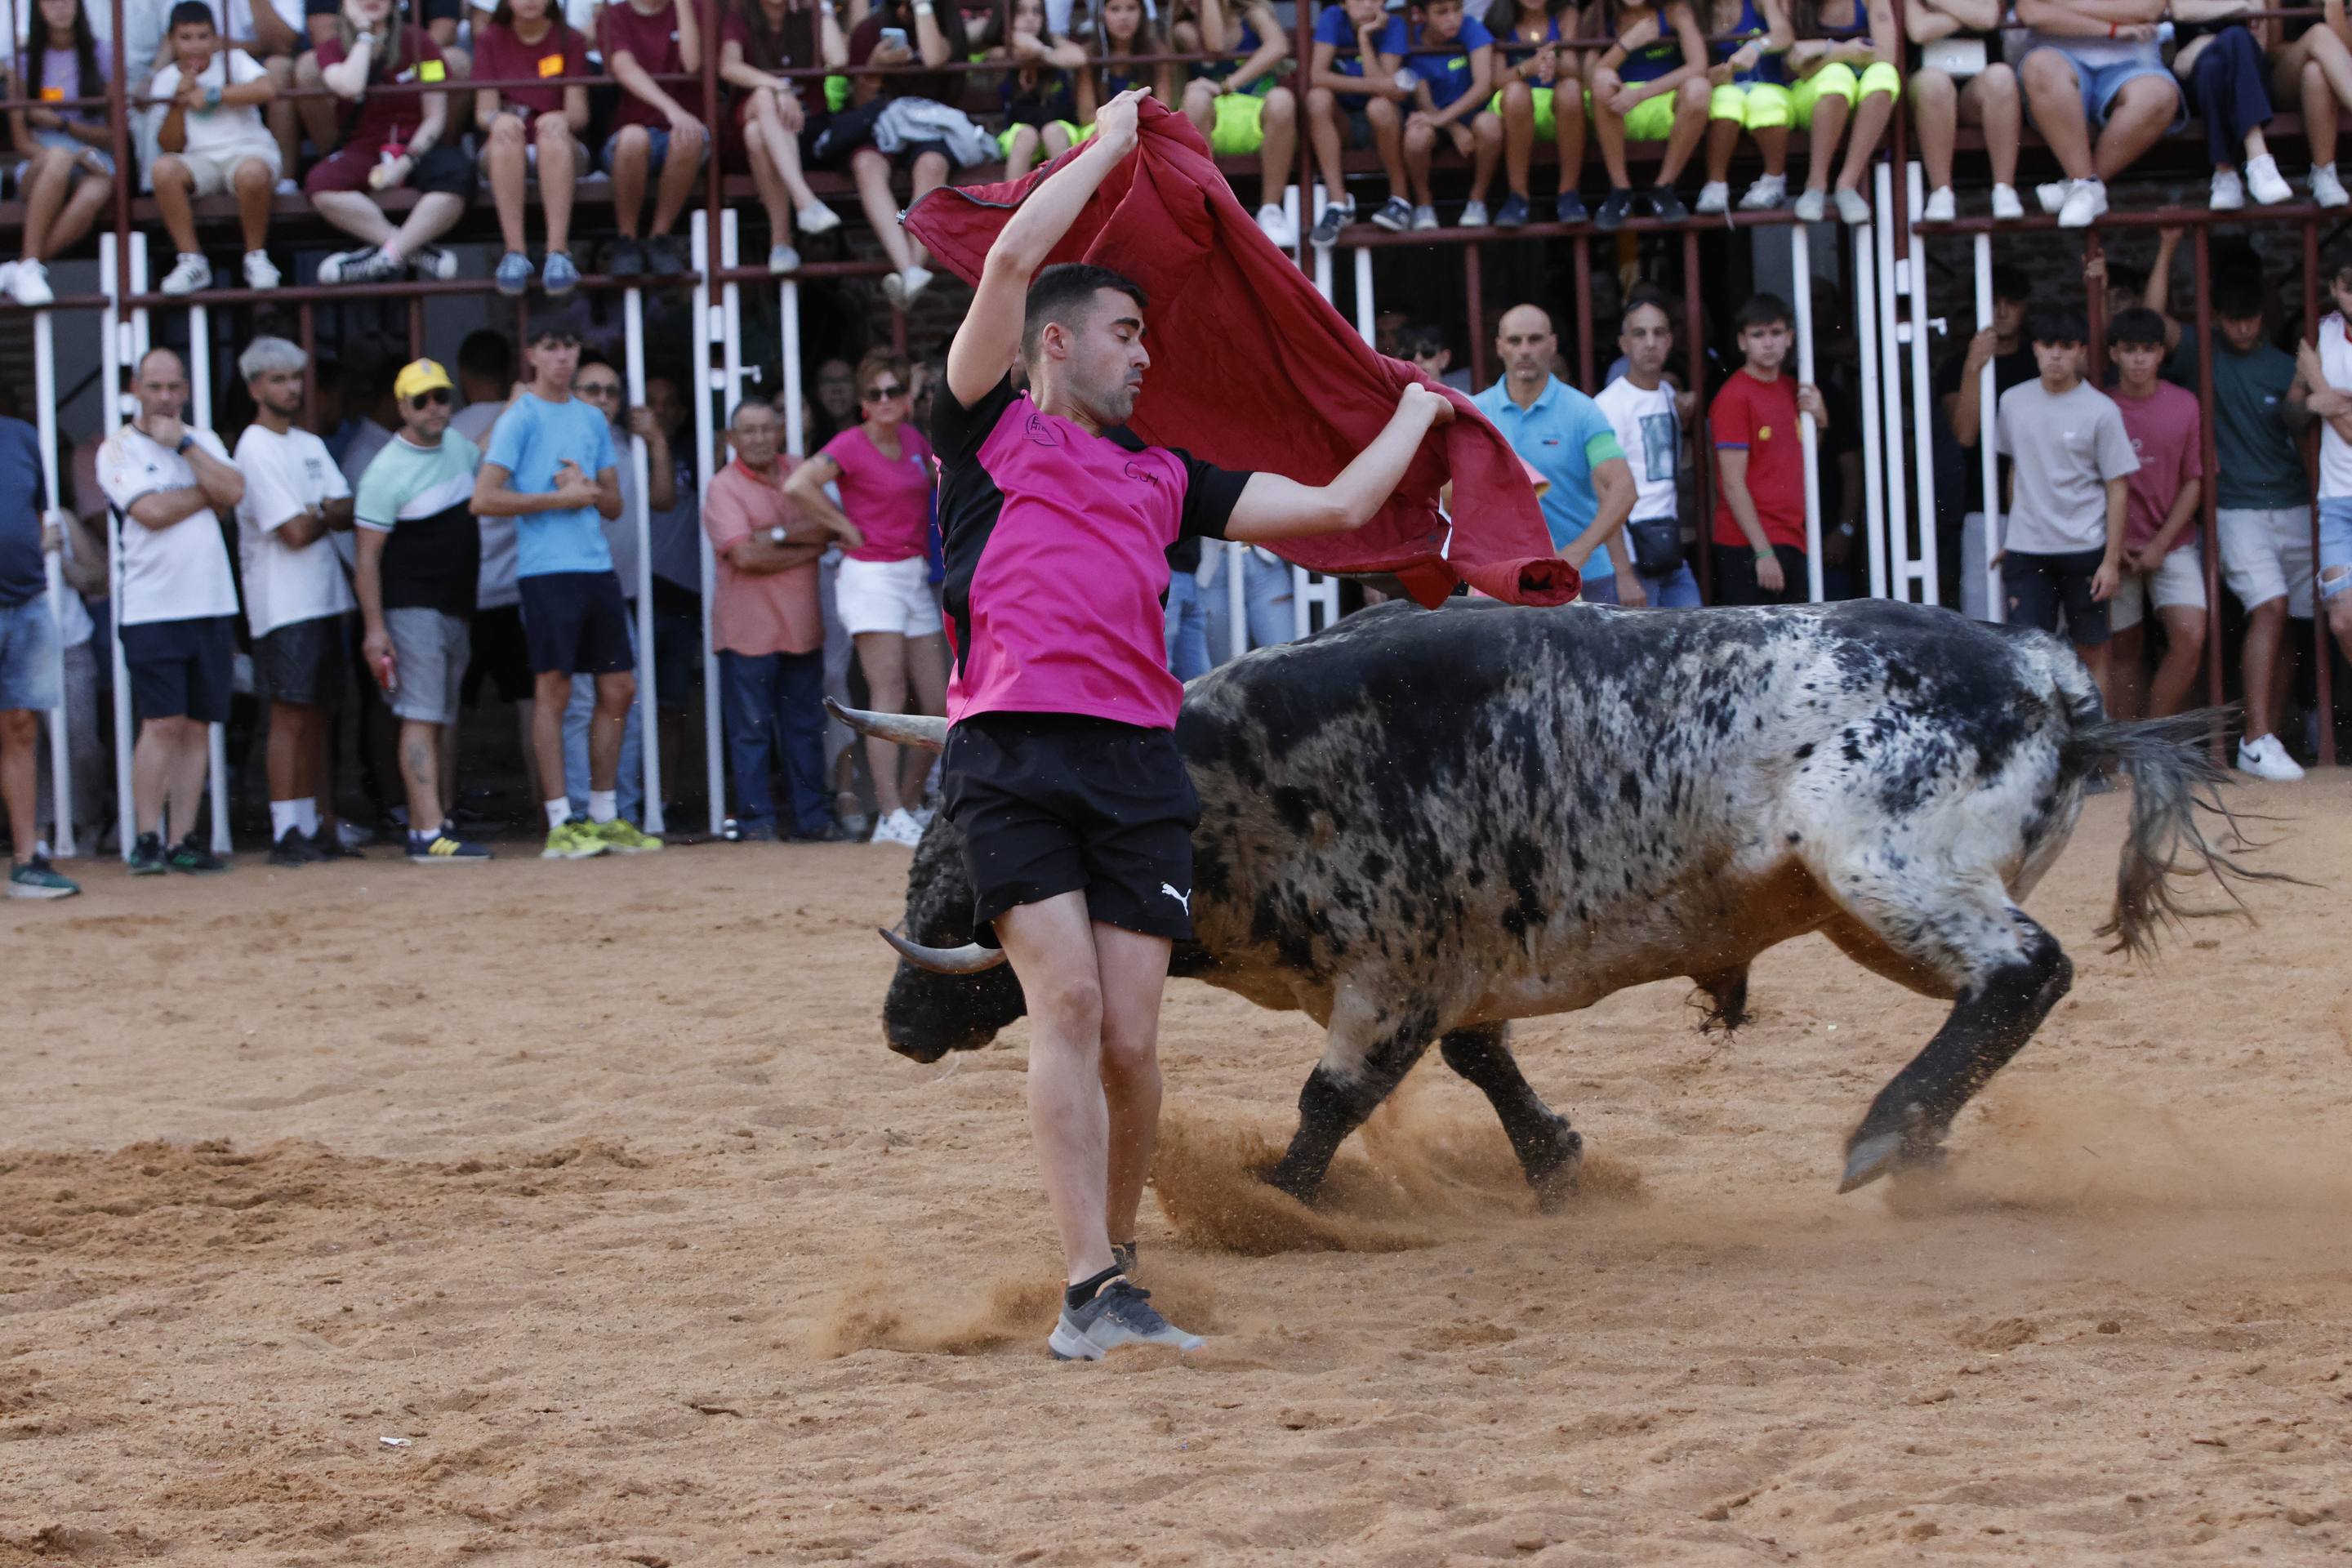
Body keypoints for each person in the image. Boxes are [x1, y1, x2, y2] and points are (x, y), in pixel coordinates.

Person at [932, 88, 1453, 1360]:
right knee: (1059, 1007)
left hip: (1136, 766)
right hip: (1010, 755)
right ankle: (1085, 1286)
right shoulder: (983, 430)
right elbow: (1010, 255)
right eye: (1124, 333)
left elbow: (1335, 509)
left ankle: (1113, 1276)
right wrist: (1106, 147)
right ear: (1054, 345)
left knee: (1129, 1039)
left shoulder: (1169, 479)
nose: (1145, 353)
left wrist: (1427, 416)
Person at [473, 316, 661, 859]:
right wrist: (557, 499)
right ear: (531, 354)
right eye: (551, 346)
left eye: (569, 345)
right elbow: (483, 498)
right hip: (545, 572)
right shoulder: (520, 416)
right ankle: (561, 821)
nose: (562, 356)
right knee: (553, 693)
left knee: (618, 689)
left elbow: (614, 503)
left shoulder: (590, 418)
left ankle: (603, 814)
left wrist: (586, 491)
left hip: (595, 567)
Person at [2144, 240, 2310, 779]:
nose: (2243, 329)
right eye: (2234, 320)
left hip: (2295, 505)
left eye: (2251, 320)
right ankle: (2255, 738)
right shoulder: (2199, 351)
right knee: (2270, 609)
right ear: (2217, 317)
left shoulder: (2286, 365)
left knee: (2288, 623)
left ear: (2264, 315)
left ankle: (2273, 736)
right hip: (2236, 508)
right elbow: (2150, 322)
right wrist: (2169, 248)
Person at [784, 350, 943, 846]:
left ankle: (910, 806)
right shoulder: (850, 444)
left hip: (912, 572)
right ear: (862, 403)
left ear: (908, 397)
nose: (886, 400)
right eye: (875, 393)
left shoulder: (916, 440)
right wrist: (842, 526)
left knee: (938, 701)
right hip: (870, 574)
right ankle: (889, 813)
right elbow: (798, 484)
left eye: (895, 390)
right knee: (888, 693)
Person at [97, 348, 246, 875]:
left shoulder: (200, 440)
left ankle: (182, 838)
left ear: (185, 390)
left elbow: (235, 489)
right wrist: (205, 493)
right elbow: (152, 512)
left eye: (173, 388)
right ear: (136, 387)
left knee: (199, 726)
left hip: (209, 602)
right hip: (151, 607)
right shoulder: (116, 450)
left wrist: (183, 445)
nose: (164, 397)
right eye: (155, 387)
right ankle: (145, 838)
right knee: (161, 722)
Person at [355, 358, 492, 862]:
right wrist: (375, 630)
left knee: (438, 716)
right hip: (411, 609)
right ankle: (428, 831)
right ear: (402, 408)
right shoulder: (383, 471)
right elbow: (366, 559)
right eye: (422, 400)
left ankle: (432, 822)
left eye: (441, 397)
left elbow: (481, 454)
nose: (434, 408)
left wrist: (520, 401)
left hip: (455, 607)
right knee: (420, 715)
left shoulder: (455, 444)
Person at [233, 336, 359, 866]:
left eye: (294, 379)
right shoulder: (254, 447)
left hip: (325, 597)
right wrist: (322, 510)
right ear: (255, 387)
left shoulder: (308, 442)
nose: (291, 389)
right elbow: (295, 532)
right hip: (282, 603)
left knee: (317, 715)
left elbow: (349, 508)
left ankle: (312, 824)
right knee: (289, 714)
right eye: (279, 380)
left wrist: (321, 512)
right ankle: (287, 829)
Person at [706, 399, 850, 840]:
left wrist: (780, 536)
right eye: (748, 431)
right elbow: (746, 556)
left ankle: (812, 822)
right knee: (751, 736)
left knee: (805, 731)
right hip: (747, 632)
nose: (759, 438)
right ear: (732, 440)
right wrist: (804, 544)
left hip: (802, 629)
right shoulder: (722, 487)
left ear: (780, 431)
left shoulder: (798, 471)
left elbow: (832, 527)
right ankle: (757, 824)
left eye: (766, 428)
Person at [1994, 306, 2135, 706]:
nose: (2055, 354)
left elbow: (2118, 487)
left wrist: (2110, 560)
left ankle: (2096, 756)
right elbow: (2016, 468)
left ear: (2080, 352)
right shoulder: (2012, 402)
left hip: (2084, 549)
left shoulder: (2101, 410)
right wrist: (2015, 530)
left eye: (2066, 346)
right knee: (2026, 656)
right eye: (2047, 345)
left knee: (2091, 651)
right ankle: (2036, 757)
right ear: (2035, 348)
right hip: (2028, 549)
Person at [1473, 303, 1640, 602]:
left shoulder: (1583, 412)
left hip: (1583, 578)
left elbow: (1624, 488)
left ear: (1552, 345)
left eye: (1535, 340)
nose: (1525, 350)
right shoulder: (1477, 413)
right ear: (1499, 347)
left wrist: (1580, 550)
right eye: (1514, 341)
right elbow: (1452, 496)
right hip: (1503, 581)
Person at [309, 0, 473, 283]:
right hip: (365, 145)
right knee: (320, 184)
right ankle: (413, 250)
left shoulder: (421, 42)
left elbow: (435, 116)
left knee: (458, 174)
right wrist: (363, 34)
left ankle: (383, 258)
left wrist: (407, 160)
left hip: (417, 143)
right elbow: (350, 86)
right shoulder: (332, 48)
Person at [822, 0, 973, 308]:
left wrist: (922, 7)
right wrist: (874, 70)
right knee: (865, 164)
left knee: (932, 165)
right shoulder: (869, 30)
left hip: (933, 125)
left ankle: (911, 268)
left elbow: (933, 59)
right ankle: (910, 269)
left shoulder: (947, 21)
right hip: (881, 124)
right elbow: (859, 102)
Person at [451, 330, 542, 800]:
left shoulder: (452, 432)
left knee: (449, 710)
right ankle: (545, 814)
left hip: (467, 591)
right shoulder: (529, 422)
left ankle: (440, 813)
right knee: (532, 706)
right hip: (517, 589)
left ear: (462, 375)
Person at [2103, 307, 2206, 722]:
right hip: (2114, 548)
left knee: (2191, 636)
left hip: (2174, 542)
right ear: (2114, 354)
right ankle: (2131, 750)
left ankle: (2151, 741)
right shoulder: (2101, 406)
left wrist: (2161, 543)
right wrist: (2115, 546)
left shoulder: (2184, 405)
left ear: (2162, 354)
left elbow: (2194, 481)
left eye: (2148, 350)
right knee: (2123, 648)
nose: (2140, 359)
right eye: (2130, 350)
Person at [564, 351, 649, 827]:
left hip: (618, 590)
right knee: (578, 706)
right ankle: (579, 815)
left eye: (611, 391)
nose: (603, 399)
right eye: (592, 389)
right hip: (568, 585)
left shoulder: (626, 442)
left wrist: (654, 440)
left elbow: (654, 503)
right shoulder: (561, 435)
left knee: (624, 705)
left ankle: (622, 812)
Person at [150, 1, 283, 296]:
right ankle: (191, 261)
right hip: (200, 161)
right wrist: (178, 102)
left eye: (203, 36)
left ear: (215, 38)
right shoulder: (166, 80)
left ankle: (256, 258)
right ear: (171, 41)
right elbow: (170, 145)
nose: (195, 46)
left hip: (249, 150)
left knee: (252, 173)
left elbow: (267, 89)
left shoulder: (234, 60)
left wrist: (212, 95)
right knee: (163, 170)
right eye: (186, 38)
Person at [2014, 0, 2182, 229]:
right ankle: (2085, 186)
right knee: (2040, 68)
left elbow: (2148, 9)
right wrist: (2113, 28)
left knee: (2158, 96)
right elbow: (2031, 12)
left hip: (2135, 64)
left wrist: (2061, 7)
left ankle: (2082, 187)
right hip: (2058, 59)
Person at [0, 415, 78, 898]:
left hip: (27, 600)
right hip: (24, 601)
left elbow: (38, 515)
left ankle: (27, 860)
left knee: (22, 727)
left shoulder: (22, 437)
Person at [1710, 292, 1829, 605]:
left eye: (1776, 333)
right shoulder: (1734, 396)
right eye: (1758, 334)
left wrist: (1820, 420)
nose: (1768, 343)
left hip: (1791, 536)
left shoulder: (1793, 389)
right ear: (1742, 342)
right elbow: (1733, 483)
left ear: (1790, 338)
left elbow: (1803, 457)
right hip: (1749, 544)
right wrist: (1763, 551)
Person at [1933, 262, 2034, 620]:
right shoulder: (1957, 366)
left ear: (2025, 306)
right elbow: (1964, 432)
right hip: (1984, 505)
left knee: (2044, 626)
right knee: (1984, 618)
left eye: (2012, 302)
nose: (2002, 311)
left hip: (2043, 506)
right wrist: (1975, 367)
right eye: (1993, 301)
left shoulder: (2041, 359)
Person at [1593, 287, 1704, 607]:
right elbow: (1602, 491)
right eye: (1640, 334)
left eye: (1659, 333)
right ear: (1624, 344)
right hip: (1632, 557)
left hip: (1669, 551)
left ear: (1670, 341)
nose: (1651, 343)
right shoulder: (1609, 406)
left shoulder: (1668, 394)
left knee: (1692, 642)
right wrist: (1623, 572)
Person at [473, 0, 591, 296]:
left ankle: (558, 255)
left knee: (551, 137)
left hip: (559, 145)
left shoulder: (570, 38)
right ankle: (514, 253)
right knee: (504, 138)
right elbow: (483, 111)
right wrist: (497, 119)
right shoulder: (489, 39)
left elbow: (578, 114)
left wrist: (560, 118)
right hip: (508, 146)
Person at [720, 0, 844, 276]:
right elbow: (728, 67)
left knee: (757, 134)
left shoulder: (810, 15)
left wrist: (822, 7)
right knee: (765, 99)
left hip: (802, 129)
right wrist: (778, 87)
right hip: (750, 114)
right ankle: (805, 202)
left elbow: (838, 59)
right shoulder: (739, 17)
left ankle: (781, 242)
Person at [5, 0, 114, 309]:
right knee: (58, 158)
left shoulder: (102, 54)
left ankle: (26, 266)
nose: (60, 7)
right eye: (50, 0)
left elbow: (116, 135)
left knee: (95, 193)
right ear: (37, 8)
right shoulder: (23, 62)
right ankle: (28, 268)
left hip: (95, 160)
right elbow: (21, 141)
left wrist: (63, 124)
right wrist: (67, 155)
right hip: (39, 163)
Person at [1178, 0, 1301, 245]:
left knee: (1282, 99)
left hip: (1256, 118)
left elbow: (1278, 46)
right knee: (1195, 95)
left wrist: (1228, 84)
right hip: (1212, 125)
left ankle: (1270, 210)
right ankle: (1208, 205)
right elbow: (1215, 43)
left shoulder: (1253, 15)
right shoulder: (1184, 29)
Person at [600, 0, 706, 277]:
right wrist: (672, 109)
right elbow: (624, 68)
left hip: (684, 132)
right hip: (633, 130)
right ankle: (627, 240)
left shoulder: (696, 9)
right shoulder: (614, 15)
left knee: (687, 137)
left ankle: (660, 237)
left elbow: (694, 63)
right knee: (633, 139)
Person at [1588, 0, 1708, 229]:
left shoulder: (1675, 10)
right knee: (1602, 81)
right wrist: (1626, 44)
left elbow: (1698, 65)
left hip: (1664, 103)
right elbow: (1590, 76)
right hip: (1618, 107)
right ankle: (1620, 190)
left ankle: (1664, 188)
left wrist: (1640, 94)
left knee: (1699, 89)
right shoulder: (1600, 14)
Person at [1783, 0, 1898, 225]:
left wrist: (1825, 49)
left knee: (1884, 74)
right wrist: (1846, 50)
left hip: (1862, 100)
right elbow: (1801, 68)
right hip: (1812, 95)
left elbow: (1887, 56)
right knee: (1837, 76)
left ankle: (1847, 185)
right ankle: (1816, 185)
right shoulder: (1793, 4)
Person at [1303, 0, 1411, 241]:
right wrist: (1378, 85)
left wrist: (1364, 38)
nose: (1367, 4)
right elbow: (1317, 75)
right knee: (1317, 98)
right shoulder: (1332, 17)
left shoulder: (1395, 24)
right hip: (1344, 124)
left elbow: (1384, 93)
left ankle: (1400, 199)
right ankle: (1338, 203)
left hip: (1384, 124)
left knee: (1379, 107)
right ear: (1343, 3)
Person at [2301, 259, 2352, 764]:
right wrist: (2313, 397)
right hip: (2337, 502)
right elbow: (2292, 408)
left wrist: (2320, 384)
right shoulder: (2321, 334)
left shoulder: (2316, 355)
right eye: (2349, 288)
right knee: (2343, 621)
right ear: (2335, 288)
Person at [1907, 0, 2022, 221]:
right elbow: (1919, 30)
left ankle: (2004, 190)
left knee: (2001, 77)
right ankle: (1941, 192)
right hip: (1927, 86)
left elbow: (1989, 17)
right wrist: (1969, 15)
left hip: (1976, 88)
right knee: (1935, 83)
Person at [2170, 11, 2292, 212]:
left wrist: (2208, 40)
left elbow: (2259, 35)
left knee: (2226, 50)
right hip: (2190, 77)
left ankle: (2225, 173)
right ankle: (2258, 160)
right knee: (2219, 57)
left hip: (2246, 76)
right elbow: (2180, 8)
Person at [1395, 0, 1501, 229]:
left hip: (1470, 117)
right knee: (1415, 137)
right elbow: (1424, 102)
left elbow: (1483, 86)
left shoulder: (1471, 27)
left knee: (1491, 125)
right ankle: (1424, 205)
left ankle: (1477, 201)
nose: (1453, 18)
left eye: (1457, 10)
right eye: (1442, 13)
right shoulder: (1412, 41)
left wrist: (1445, 121)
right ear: (1421, 15)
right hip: (1431, 117)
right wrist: (1453, 129)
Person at [1486, 0, 1591, 225]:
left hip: (1557, 104)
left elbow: (1575, 70)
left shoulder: (1567, 16)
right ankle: (1518, 197)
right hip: (1514, 109)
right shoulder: (1500, 20)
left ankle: (1569, 194)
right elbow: (1496, 80)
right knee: (1515, 92)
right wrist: (1528, 68)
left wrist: (1555, 65)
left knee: (1572, 89)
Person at [1694, 0, 1794, 217]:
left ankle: (1773, 180)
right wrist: (1711, 77)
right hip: (1725, 88)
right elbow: (1690, 63)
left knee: (1765, 101)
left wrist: (1757, 46)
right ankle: (1715, 186)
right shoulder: (1698, 10)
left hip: (1769, 85)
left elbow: (1785, 34)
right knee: (1726, 101)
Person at [990, 0, 1088, 180]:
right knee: (1026, 135)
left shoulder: (1052, 42)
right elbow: (1015, 50)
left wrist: (1042, 52)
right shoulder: (1000, 51)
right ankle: (1012, 206)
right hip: (1017, 131)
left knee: (1053, 131)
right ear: (1007, 16)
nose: (1030, 19)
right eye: (1021, 12)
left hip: (1061, 127)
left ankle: (1069, 202)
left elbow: (1079, 57)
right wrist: (1029, 49)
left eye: (1037, 12)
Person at [1401, 323, 1476, 394]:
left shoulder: (1464, 403)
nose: (1418, 358)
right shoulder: (1393, 405)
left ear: (1444, 358)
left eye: (1427, 351)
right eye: (1409, 354)